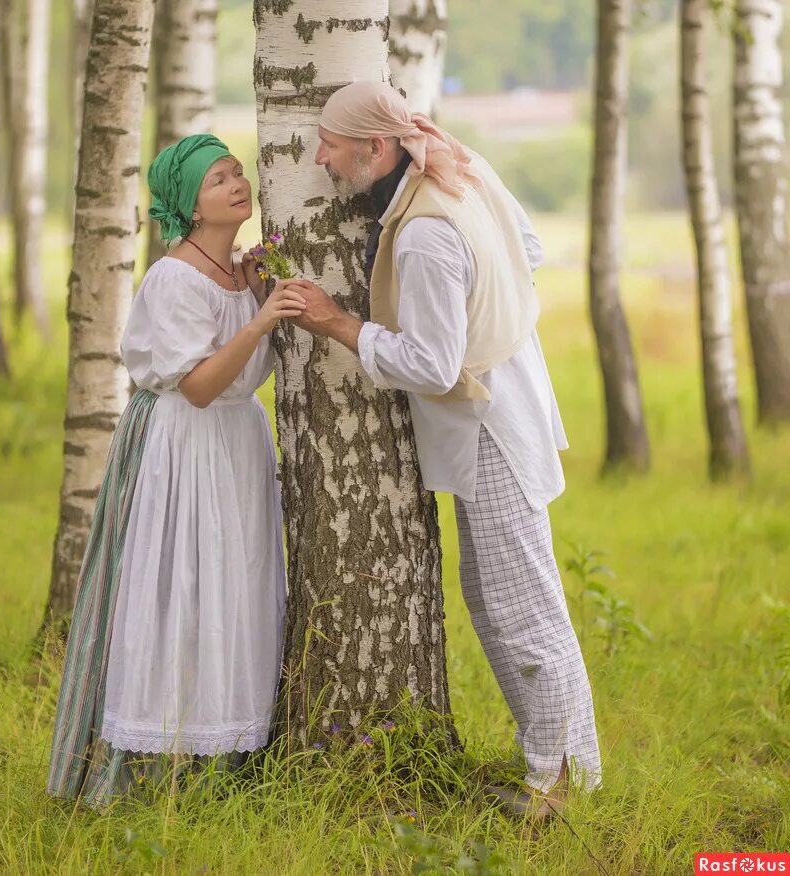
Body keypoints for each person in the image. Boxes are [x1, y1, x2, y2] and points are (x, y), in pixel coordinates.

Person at [284, 81, 601, 821]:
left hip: (488, 417)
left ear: (376, 147)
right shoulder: (462, 164)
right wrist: (493, 311)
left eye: (331, 142)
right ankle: (564, 771)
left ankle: (555, 787)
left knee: (519, 605)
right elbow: (528, 248)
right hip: (508, 396)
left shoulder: (425, 231)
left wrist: (336, 323)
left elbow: (431, 364)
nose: (320, 156)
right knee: (500, 600)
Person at [47, 134, 303, 807]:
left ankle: (230, 759)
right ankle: (162, 767)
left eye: (237, 172)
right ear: (190, 203)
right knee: (183, 592)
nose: (237, 184)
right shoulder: (174, 276)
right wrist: (259, 320)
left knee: (235, 591)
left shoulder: (238, 273)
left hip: (237, 444)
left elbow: (242, 380)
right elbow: (196, 385)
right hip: (186, 446)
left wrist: (258, 292)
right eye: (219, 179)